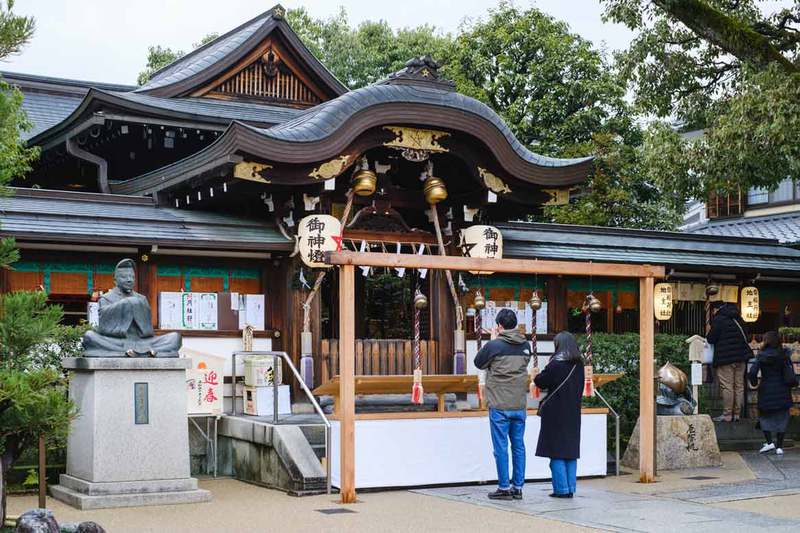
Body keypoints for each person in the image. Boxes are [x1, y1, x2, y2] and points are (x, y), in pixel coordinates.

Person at [473, 308, 532, 501]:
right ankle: (518, 487)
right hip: (519, 404)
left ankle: (504, 487)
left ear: (499, 326)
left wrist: (492, 340)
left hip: (499, 404)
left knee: (501, 447)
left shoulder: (495, 346)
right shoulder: (526, 345)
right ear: (515, 324)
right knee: (519, 446)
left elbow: (478, 362)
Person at [82, 258, 181, 357]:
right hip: (116, 341)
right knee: (89, 336)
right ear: (115, 281)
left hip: (142, 342)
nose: (129, 280)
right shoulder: (106, 298)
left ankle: (130, 352)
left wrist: (136, 306)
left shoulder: (141, 299)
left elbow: (147, 330)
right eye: (124, 277)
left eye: (132, 277)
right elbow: (104, 328)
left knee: (175, 337)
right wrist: (127, 304)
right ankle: (145, 353)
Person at [533, 331, 584, 498]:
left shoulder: (555, 364)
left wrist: (536, 375)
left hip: (555, 413)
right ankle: (570, 488)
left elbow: (541, 381)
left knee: (556, 451)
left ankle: (561, 489)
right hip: (573, 412)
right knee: (570, 451)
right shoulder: (579, 365)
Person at [748, 331, 797, 455]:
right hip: (782, 389)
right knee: (782, 417)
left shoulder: (761, 355)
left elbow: (753, 372)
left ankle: (769, 442)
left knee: (764, 416)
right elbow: (790, 372)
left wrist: (754, 383)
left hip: (766, 389)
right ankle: (779, 446)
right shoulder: (784, 355)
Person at [707, 302, 752, 422]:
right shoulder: (738, 319)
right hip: (741, 357)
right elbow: (747, 336)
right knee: (739, 386)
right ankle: (736, 414)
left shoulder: (719, 319)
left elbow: (711, 338)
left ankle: (727, 415)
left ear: (716, 309)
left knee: (727, 386)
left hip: (725, 358)